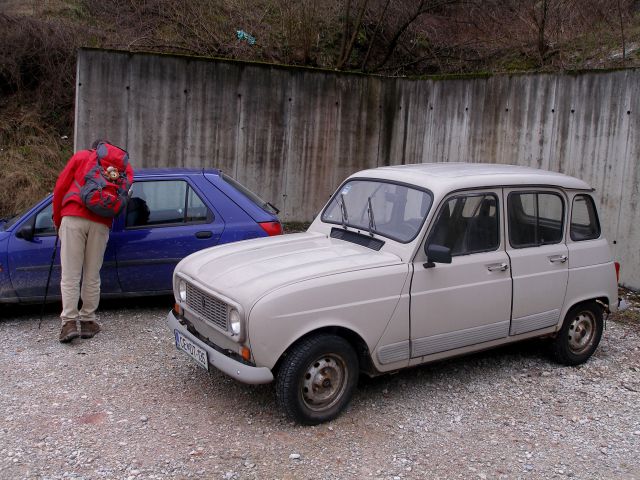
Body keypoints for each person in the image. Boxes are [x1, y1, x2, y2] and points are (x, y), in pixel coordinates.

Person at [52, 140, 134, 343]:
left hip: (73, 217)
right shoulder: (124, 167)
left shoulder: (82, 157)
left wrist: (57, 219)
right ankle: (88, 322)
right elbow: (124, 194)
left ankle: (69, 323)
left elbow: (60, 187)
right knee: (92, 274)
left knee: (70, 274)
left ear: (94, 148)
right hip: (101, 223)